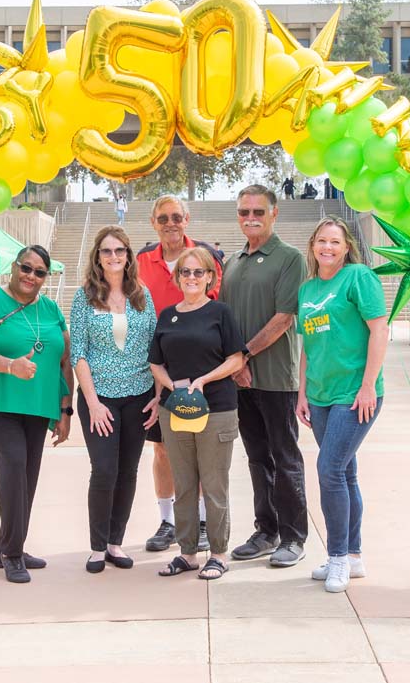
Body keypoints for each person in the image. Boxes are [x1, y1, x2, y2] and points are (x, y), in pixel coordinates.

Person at [0, 245, 73, 584]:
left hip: (39, 404)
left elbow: (64, 361)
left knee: (28, 475)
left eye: (40, 272)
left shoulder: (51, 308)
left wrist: (66, 409)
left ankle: (6, 545)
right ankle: (12, 553)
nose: (31, 276)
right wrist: (10, 366)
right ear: (14, 266)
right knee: (12, 469)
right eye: (26, 268)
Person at [296, 216, 389, 594]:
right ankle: (352, 556)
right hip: (319, 395)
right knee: (345, 473)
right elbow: (308, 346)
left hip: (354, 394)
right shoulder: (307, 289)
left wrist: (368, 386)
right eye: (322, 241)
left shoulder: (358, 278)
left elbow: (379, 330)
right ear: (313, 246)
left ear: (346, 246)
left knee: (329, 469)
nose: (328, 248)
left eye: (335, 242)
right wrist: (301, 393)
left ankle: (336, 558)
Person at [220, 185, 308, 568]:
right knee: (257, 458)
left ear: (275, 213)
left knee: (285, 458)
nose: (250, 217)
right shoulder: (233, 262)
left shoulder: (289, 259)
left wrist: (244, 356)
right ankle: (266, 530)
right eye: (243, 212)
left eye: (258, 210)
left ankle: (293, 537)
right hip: (240, 381)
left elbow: (283, 317)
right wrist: (233, 365)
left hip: (275, 379)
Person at [149, 247, 246, 580]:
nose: (191, 278)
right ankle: (187, 553)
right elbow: (155, 363)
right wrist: (172, 386)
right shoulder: (167, 316)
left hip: (216, 409)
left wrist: (204, 380)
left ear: (210, 277)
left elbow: (237, 359)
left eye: (198, 272)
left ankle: (218, 554)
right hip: (176, 411)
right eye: (185, 272)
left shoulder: (220, 313)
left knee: (214, 483)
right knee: (185, 483)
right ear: (178, 277)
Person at [135, 195, 223, 554]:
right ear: (154, 222)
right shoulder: (141, 260)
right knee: (162, 450)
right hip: (155, 368)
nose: (170, 223)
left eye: (176, 217)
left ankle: (201, 521)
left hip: (198, 371)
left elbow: (216, 307)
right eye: (163, 218)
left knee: (198, 449)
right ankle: (168, 521)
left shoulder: (202, 257)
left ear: (186, 219)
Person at [70, 226, 158, 574]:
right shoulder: (84, 296)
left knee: (128, 471)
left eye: (119, 250)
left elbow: (155, 348)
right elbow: (78, 353)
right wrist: (92, 402)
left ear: (128, 255)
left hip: (138, 396)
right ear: (97, 257)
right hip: (100, 398)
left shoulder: (142, 295)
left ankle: (115, 543)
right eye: (106, 251)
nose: (113, 257)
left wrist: (158, 394)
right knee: (104, 470)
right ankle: (96, 546)